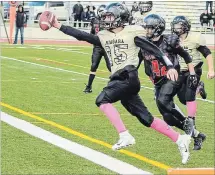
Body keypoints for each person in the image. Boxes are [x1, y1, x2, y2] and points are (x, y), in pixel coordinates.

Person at [50, 3, 192, 164]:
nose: (105, 19)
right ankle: (180, 139)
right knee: (147, 119)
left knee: (101, 99)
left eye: (109, 16)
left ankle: (124, 135)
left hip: (128, 76)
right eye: (105, 17)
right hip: (119, 78)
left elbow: (154, 49)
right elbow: (82, 35)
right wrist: (58, 25)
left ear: (120, 17)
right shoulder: (104, 35)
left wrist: (170, 66)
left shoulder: (133, 32)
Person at [141, 14, 204, 150]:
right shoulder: (144, 43)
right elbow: (145, 66)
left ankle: (189, 121)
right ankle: (197, 134)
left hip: (173, 77)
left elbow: (186, 55)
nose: (147, 31)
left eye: (150, 28)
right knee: (168, 118)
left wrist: (192, 73)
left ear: (158, 28)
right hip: (158, 81)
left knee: (163, 100)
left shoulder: (169, 41)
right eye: (146, 28)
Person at [171, 16, 215, 149]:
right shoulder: (173, 39)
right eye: (175, 26)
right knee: (182, 99)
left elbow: (207, 53)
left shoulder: (195, 38)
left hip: (194, 69)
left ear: (185, 27)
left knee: (189, 97)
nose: (176, 28)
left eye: (179, 26)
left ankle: (193, 129)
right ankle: (199, 88)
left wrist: (211, 69)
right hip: (180, 71)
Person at [83, 5, 111, 93]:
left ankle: (115, 86)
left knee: (111, 68)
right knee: (94, 66)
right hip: (97, 47)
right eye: (101, 11)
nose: (103, 13)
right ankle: (89, 86)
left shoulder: (110, 20)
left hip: (107, 47)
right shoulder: (94, 20)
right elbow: (92, 32)